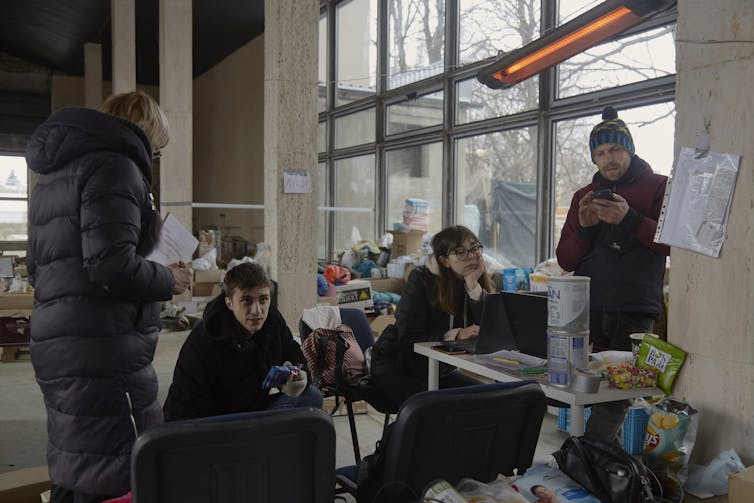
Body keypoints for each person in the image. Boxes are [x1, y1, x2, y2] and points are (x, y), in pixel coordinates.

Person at [25, 90, 193, 503]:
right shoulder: (116, 166)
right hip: (103, 348)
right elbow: (109, 264)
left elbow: (36, 267)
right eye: (157, 148)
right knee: (121, 466)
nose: (154, 157)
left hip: (59, 340)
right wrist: (165, 280)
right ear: (147, 130)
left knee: (78, 459)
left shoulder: (53, 177)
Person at [556, 105, 670, 442]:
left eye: (616, 149)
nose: (609, 159)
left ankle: (583, 458)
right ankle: (605, 468)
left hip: (635, 309)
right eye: (601, 152)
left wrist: (631, 218)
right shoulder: (583, 197)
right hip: (587, 307)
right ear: (594, 158)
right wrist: (587, 229)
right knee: (581, 386)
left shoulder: (660, 187)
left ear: (630, 149)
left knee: (617, 397)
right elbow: (565, 258)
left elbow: (674, 245)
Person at [163, 262, 322, 421]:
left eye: (263, 299)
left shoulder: (273, 323)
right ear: (229, 303)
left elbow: (295, 357)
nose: (257, 310)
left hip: (253, 409)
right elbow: (186, 405)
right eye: (246, 301)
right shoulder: (205, 338)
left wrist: (299, 376)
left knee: (310, 397)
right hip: (212, 421)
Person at [371, 225, 494, 405]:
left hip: (439, 370)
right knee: (436, 413)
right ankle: (398, 434)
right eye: (461, 252)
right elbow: (409, 336)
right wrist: (456, 335)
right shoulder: (421, 279)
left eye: (475, 248)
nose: (471, 256)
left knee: (488, 401)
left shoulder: (471, 281)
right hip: (398, 366)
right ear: (444, 260)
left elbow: (490, 329)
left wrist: (474, 286)